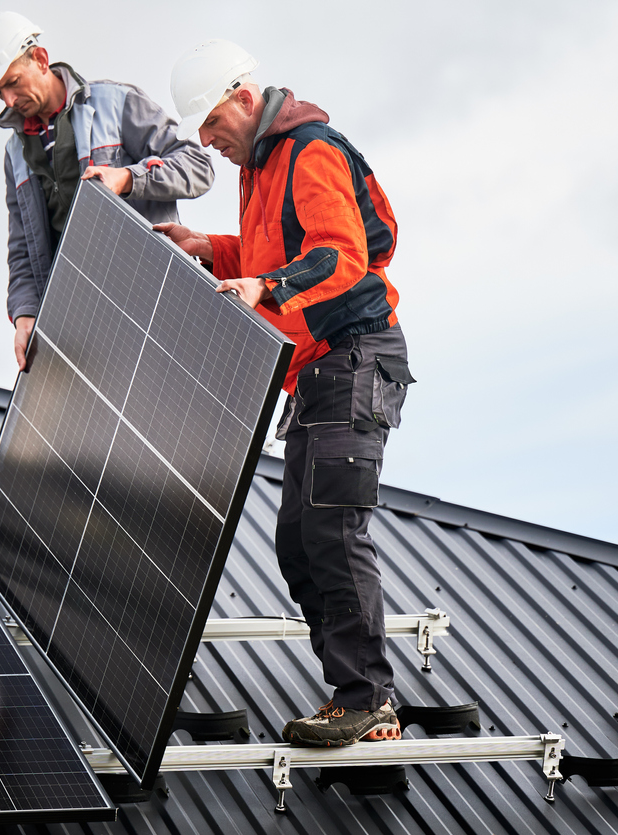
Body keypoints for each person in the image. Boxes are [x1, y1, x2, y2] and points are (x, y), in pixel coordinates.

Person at [156, 40, 416, 747]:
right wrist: (210, 247)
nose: (207, 144)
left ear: (244, 99)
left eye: (210, 125)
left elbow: (336, 255)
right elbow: (273, 252)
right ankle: (356, 694)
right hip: (313, 371)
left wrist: (265, 288)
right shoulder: (259, 168)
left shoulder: (309, 150)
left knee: (332, 527)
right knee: (296, 542)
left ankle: (368, 698)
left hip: (355, 355)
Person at [0, 12, 215, 370]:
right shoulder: (14, 155)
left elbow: (198, 166)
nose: (8, 99)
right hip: (84, 329)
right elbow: (22, 248)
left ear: (40, 59)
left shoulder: (115, 104)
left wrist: (128, 179)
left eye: (14, 82)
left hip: (154, 299)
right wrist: (25, 316)